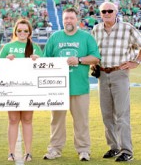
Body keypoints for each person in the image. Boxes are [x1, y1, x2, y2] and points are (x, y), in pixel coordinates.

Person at [91, 2, 141, 162]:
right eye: (104, 11)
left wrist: (136, 61)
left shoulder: (127, 28)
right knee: (107, 114)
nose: (107, 13)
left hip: (119, 73)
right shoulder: (96, 30)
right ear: (100, 13)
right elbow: (92, 50)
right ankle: (114, 147)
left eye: (110, 11)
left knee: (122, 114)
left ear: (116, 12)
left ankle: (127, 150)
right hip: (102, 74)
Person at [42, 8, 100, 161]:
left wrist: (79, 60)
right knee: (56, 121)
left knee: (81, 121)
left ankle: (83, 150)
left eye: (71, 18)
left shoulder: (86, 37)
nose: (68, 21)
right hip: (58, 88)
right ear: (63, 20)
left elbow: (95, 58)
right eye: (66, 18)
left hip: (79, 87)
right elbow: (45, 60)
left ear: (77, 20)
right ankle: (55, 149)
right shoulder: (55, 37)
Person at [0, 18, 43, 162]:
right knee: (12, 120)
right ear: (15, 31)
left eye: (25, 30)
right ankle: (11, 152)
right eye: (19, 30)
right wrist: (6, 60)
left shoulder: (35, 47)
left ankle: (28, 152)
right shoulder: (7, 47)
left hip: (29, 89)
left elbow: (45, 69)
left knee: (27, 119)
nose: (22, 33)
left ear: (29, 32)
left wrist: (39, 60)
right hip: (12, 89)